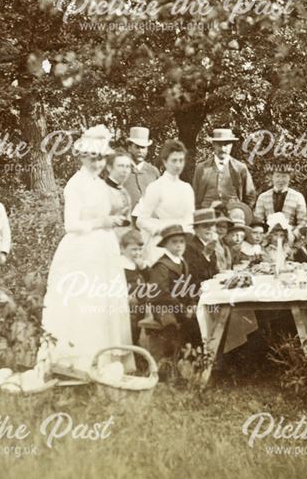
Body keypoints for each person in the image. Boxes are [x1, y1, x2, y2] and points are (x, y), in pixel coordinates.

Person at [37, 125, 133, 374]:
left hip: (104, 249)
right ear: (81, 157)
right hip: (81, 251)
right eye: (92, 158)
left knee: (105, 302)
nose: (98, 163)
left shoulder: (100, 185)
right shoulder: (74, 185)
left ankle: (106, 362)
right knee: (83, 303)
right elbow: (71, 225)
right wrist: (102, 222)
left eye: (101, 158)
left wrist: (113, 223)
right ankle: (77, 362)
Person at [142, 225, 210, 360]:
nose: (179, 246)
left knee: (199, 319)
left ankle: (194, 357)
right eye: (174, 242)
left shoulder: (182, 262)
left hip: (180, 305)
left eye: (181, 241)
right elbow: (162, 294)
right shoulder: (161, 266)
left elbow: (187, 287)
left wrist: (190, 304)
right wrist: (182, 309)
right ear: (166, 245)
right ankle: (170, 361)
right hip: (163, 306)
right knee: (170, 326)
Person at [133, 139, 196, 264]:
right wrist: (162, 229)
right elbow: (141, 220)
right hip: (160, 244)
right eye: (174, 161)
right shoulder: (156, 187)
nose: (178, 165)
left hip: (181, 245)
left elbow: (190, 219)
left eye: (181, 160)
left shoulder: (187, 188)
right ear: (165, 162)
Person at [192, 128, 256, 209]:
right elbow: (194, 196)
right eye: (219, 144)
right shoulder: (202, 168)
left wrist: (242, 212)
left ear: (231, 145)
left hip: (233, 215)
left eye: (226, 144)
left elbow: (250, 196)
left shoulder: (240, 168)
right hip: (207, 215)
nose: (222, 149)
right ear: (213, 145)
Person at [254, 163, 307, 230]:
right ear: (272, 177)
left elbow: (302, 222)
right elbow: (258, 220)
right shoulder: (263, 197)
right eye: (277, 176)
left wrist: (294, 235)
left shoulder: (298, 197)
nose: (280, 180)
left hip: (290, 235)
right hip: (268, 235)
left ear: (289, 178)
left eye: (284, 176)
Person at [122, 126, 160, 209]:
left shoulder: (153, 172)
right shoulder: (120, 170)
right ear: (129, 148)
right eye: (137, 147)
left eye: (143, 147)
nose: (140, 151)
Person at [104, 149, 135, 241]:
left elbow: (128, 223)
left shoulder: (125, 192)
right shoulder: (101, 189)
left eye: (128, 167)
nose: (125, 170)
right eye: (121, 166)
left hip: (122, 241)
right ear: (109, 168)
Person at [184, 208, 223, 280]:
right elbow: (194, 275)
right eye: (205, 226)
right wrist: (206, 255)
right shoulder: (189, 248)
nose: (209, 229)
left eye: (212, 225)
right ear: (195, 229)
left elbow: (214, 272)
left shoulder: (211, 245)